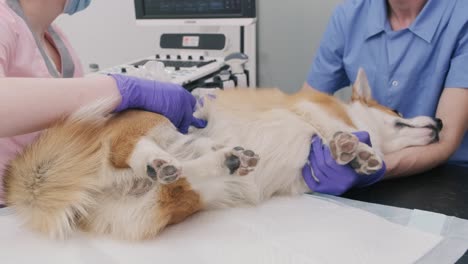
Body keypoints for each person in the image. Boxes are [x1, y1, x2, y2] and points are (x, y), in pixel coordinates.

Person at [0, 0, 205, 205]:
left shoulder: (55, 37)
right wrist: (120, 90)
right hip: (11, 203)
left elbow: (66, 110)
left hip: (58, 190)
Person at [302, 0, 468, 195]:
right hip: (362, 173)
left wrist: (371, 167)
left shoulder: (461, 16)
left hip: (448, 178)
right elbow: (305, 109)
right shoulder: (350, 15)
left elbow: (446, 140)